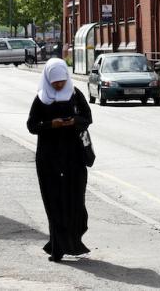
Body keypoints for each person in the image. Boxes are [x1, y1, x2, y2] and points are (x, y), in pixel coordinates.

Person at [27, 58, 92, 262]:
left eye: (62, 81)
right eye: (55, 82)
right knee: (54, 203)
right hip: (49, 157)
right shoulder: (41, 98)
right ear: (47, 79)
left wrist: (74, 121)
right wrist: (50, 124)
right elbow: (31, 125)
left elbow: (88, 118)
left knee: (75, 202)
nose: (59, 85)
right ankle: (57, 250)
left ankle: (73, 240)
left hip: (74, 156)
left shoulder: (74, 94)